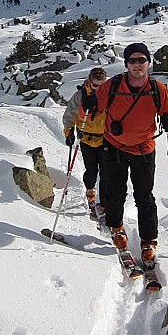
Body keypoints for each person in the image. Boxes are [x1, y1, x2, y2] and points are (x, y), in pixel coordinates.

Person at [80, 42, 168, 267]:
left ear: (148, 63)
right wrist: (87, 103)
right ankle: (116, 227)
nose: (137, 65)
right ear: (126, 64)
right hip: (113, 146)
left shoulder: (158, 90)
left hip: (144, 149)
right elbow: (91, 109)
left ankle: (148, 241)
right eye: (132, 61)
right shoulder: (112, 86)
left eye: (141, 60)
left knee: (144, 196)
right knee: (115, 193)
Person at [63, 67, 108, 221]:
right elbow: (70, 115)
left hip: (105, 139)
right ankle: (90, 193)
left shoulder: (110, 95)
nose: (98, 89)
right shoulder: (80, 95)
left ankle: (103, 204)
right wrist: (69, 132)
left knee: (106, 172)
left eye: (102, 86)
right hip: (87, 138)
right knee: (91, 171)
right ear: (89, 82)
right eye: (96, 86)